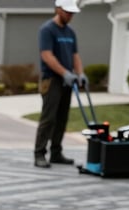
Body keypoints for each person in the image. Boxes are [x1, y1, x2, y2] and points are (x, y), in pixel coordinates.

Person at [34, 0, 88, 169]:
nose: (70, 16)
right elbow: (47, 55)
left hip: (68, 80)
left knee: (62, 118)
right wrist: (64, 73)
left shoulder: (70, 32)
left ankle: (56, 152)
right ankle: (39, 153)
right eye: (67, 12)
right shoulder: (47, 30)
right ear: (58, 9)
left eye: (72, 13)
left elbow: (75, 55)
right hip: (51, 80)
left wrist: (80, 74)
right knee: (48, 118)